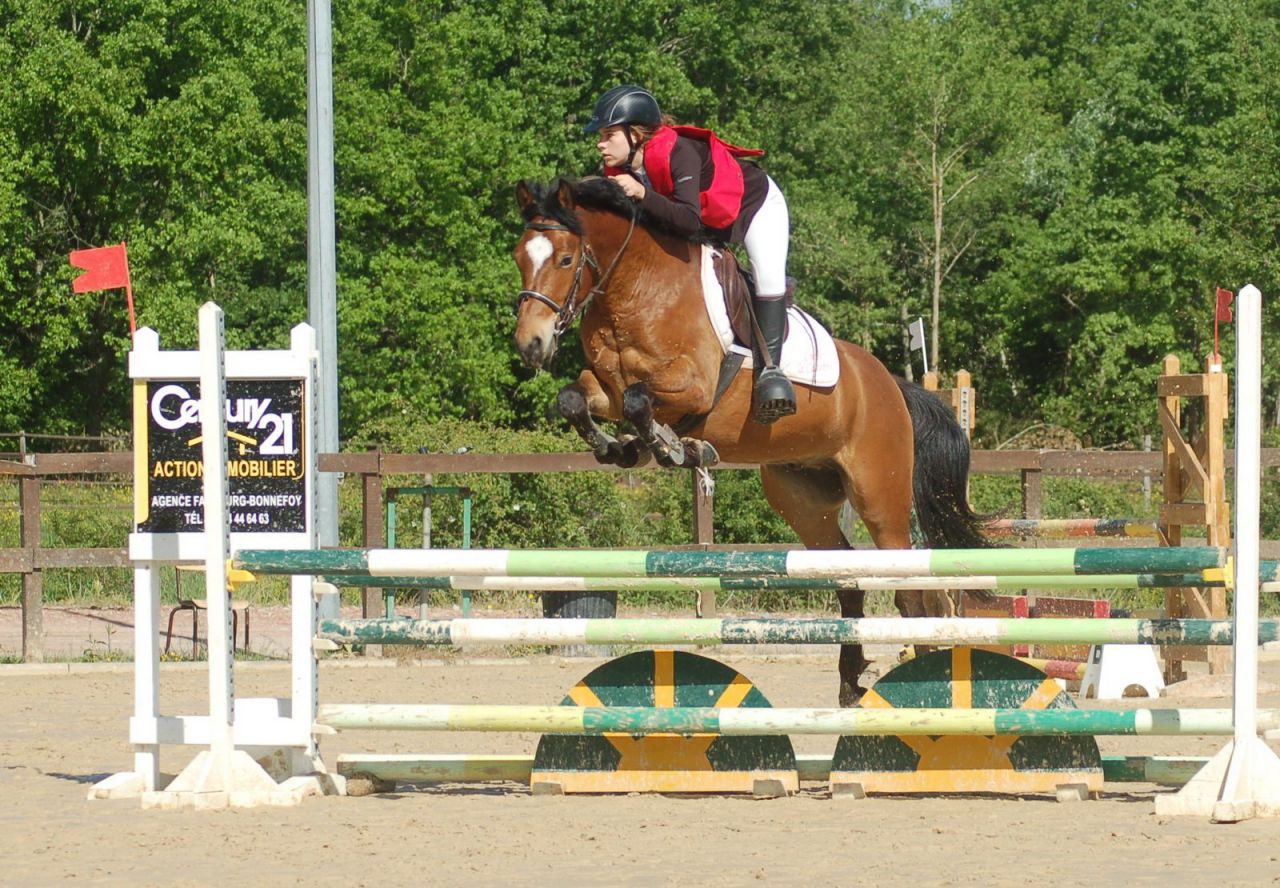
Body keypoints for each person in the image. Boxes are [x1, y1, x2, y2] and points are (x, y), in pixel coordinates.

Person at [583, 84, 797, 424]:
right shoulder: (621, 171)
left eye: (609, 135)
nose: (600, 143)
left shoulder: (679, 152)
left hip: (754, 209)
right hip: (703, 226)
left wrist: (641, 193)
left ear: (635, 133)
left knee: (767, 279)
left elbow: (688, 218)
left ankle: (771, 372)